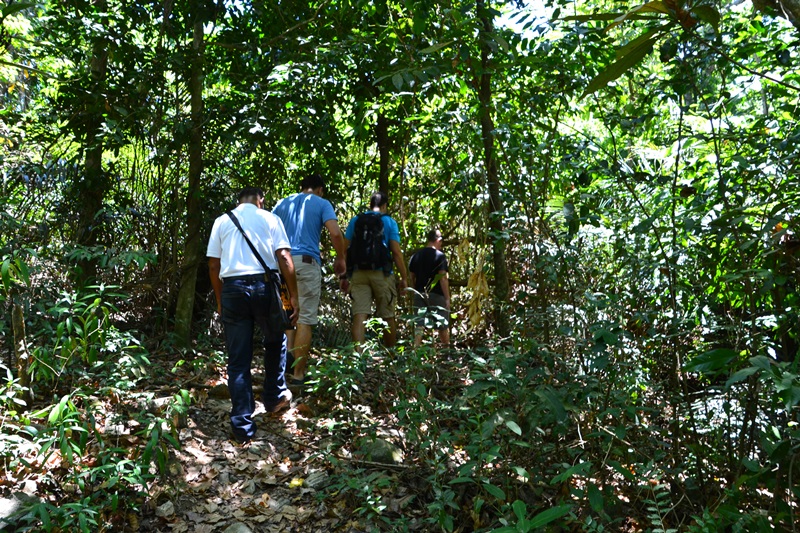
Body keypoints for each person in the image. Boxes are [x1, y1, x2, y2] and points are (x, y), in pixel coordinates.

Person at [207, 186, 299, 444]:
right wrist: (294, 296)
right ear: (261, 200)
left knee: (238, 359)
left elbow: (214, 264)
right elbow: (284, 256)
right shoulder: (270, 218)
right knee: (275, 340)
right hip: (266, 287)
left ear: (239, 201)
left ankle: (242, 426)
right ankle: (273, 396)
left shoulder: (222, 221)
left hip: (233, 289)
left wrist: (219, 298)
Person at [273, 173, 347, 385]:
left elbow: (269, 230)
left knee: (288, 313)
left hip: (283, 263)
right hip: (305, 263)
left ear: (302, 186)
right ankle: (298, 375)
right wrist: (340, 258)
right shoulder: (322, 203)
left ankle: (287, 358)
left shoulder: (283, 202)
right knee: (305, 317)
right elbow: (334, 233)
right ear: (320, 189)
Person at [344, 191, 408, 348]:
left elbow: (344, 248)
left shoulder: (356, 220)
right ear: (385, 205)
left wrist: (345, 274)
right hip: (383, 274)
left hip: (359, 274)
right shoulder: (389, 222)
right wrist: (404, 277)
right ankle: (391, 358)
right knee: (388, 316)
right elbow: (396, 252)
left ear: (370, 204)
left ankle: (357, 360)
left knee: (359, 315)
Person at [408, 229, 451, 347]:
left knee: (419, 324)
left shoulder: (415, 256)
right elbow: (442, 278)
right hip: (436, 294)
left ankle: (415, 351)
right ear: (438, 240)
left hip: (419, 293)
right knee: (442, 324)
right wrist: (447, 298)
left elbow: (411, 277)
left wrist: (415, 290)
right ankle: (447, 351)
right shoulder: (440, 256)